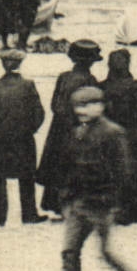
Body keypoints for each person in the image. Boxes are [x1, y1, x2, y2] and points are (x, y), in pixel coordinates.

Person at [43, 86, 137, 271]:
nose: (81, 111)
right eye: (78, 107)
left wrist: (115, 202)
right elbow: (69, 165)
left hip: (101, 204)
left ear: (99, 106)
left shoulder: (113, 133)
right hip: (79, 202)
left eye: (86, 106)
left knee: (106, 253)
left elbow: (124, 172)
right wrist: (66, 196)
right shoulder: (78, 132)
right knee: (69, 252)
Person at [0, 49, 46, 226]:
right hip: (23, 139)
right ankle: (29, 214)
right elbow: (39, 114)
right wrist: (28, 130)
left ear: (3, 65)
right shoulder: (28, 85)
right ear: (20, 64)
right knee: (26, 177)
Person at [35, 39, 103, 216]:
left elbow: (54, 104)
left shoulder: (64, 77)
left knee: (58, 164)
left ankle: (54, 203)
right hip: (78, 128)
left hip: (59, 128)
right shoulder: (90, 80)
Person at [100, 48, 137, 223]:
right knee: (134, 171)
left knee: (109, 171)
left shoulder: (102, 87)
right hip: (130, 135)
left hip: (108, 136)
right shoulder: (136, 87)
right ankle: (134, 209)